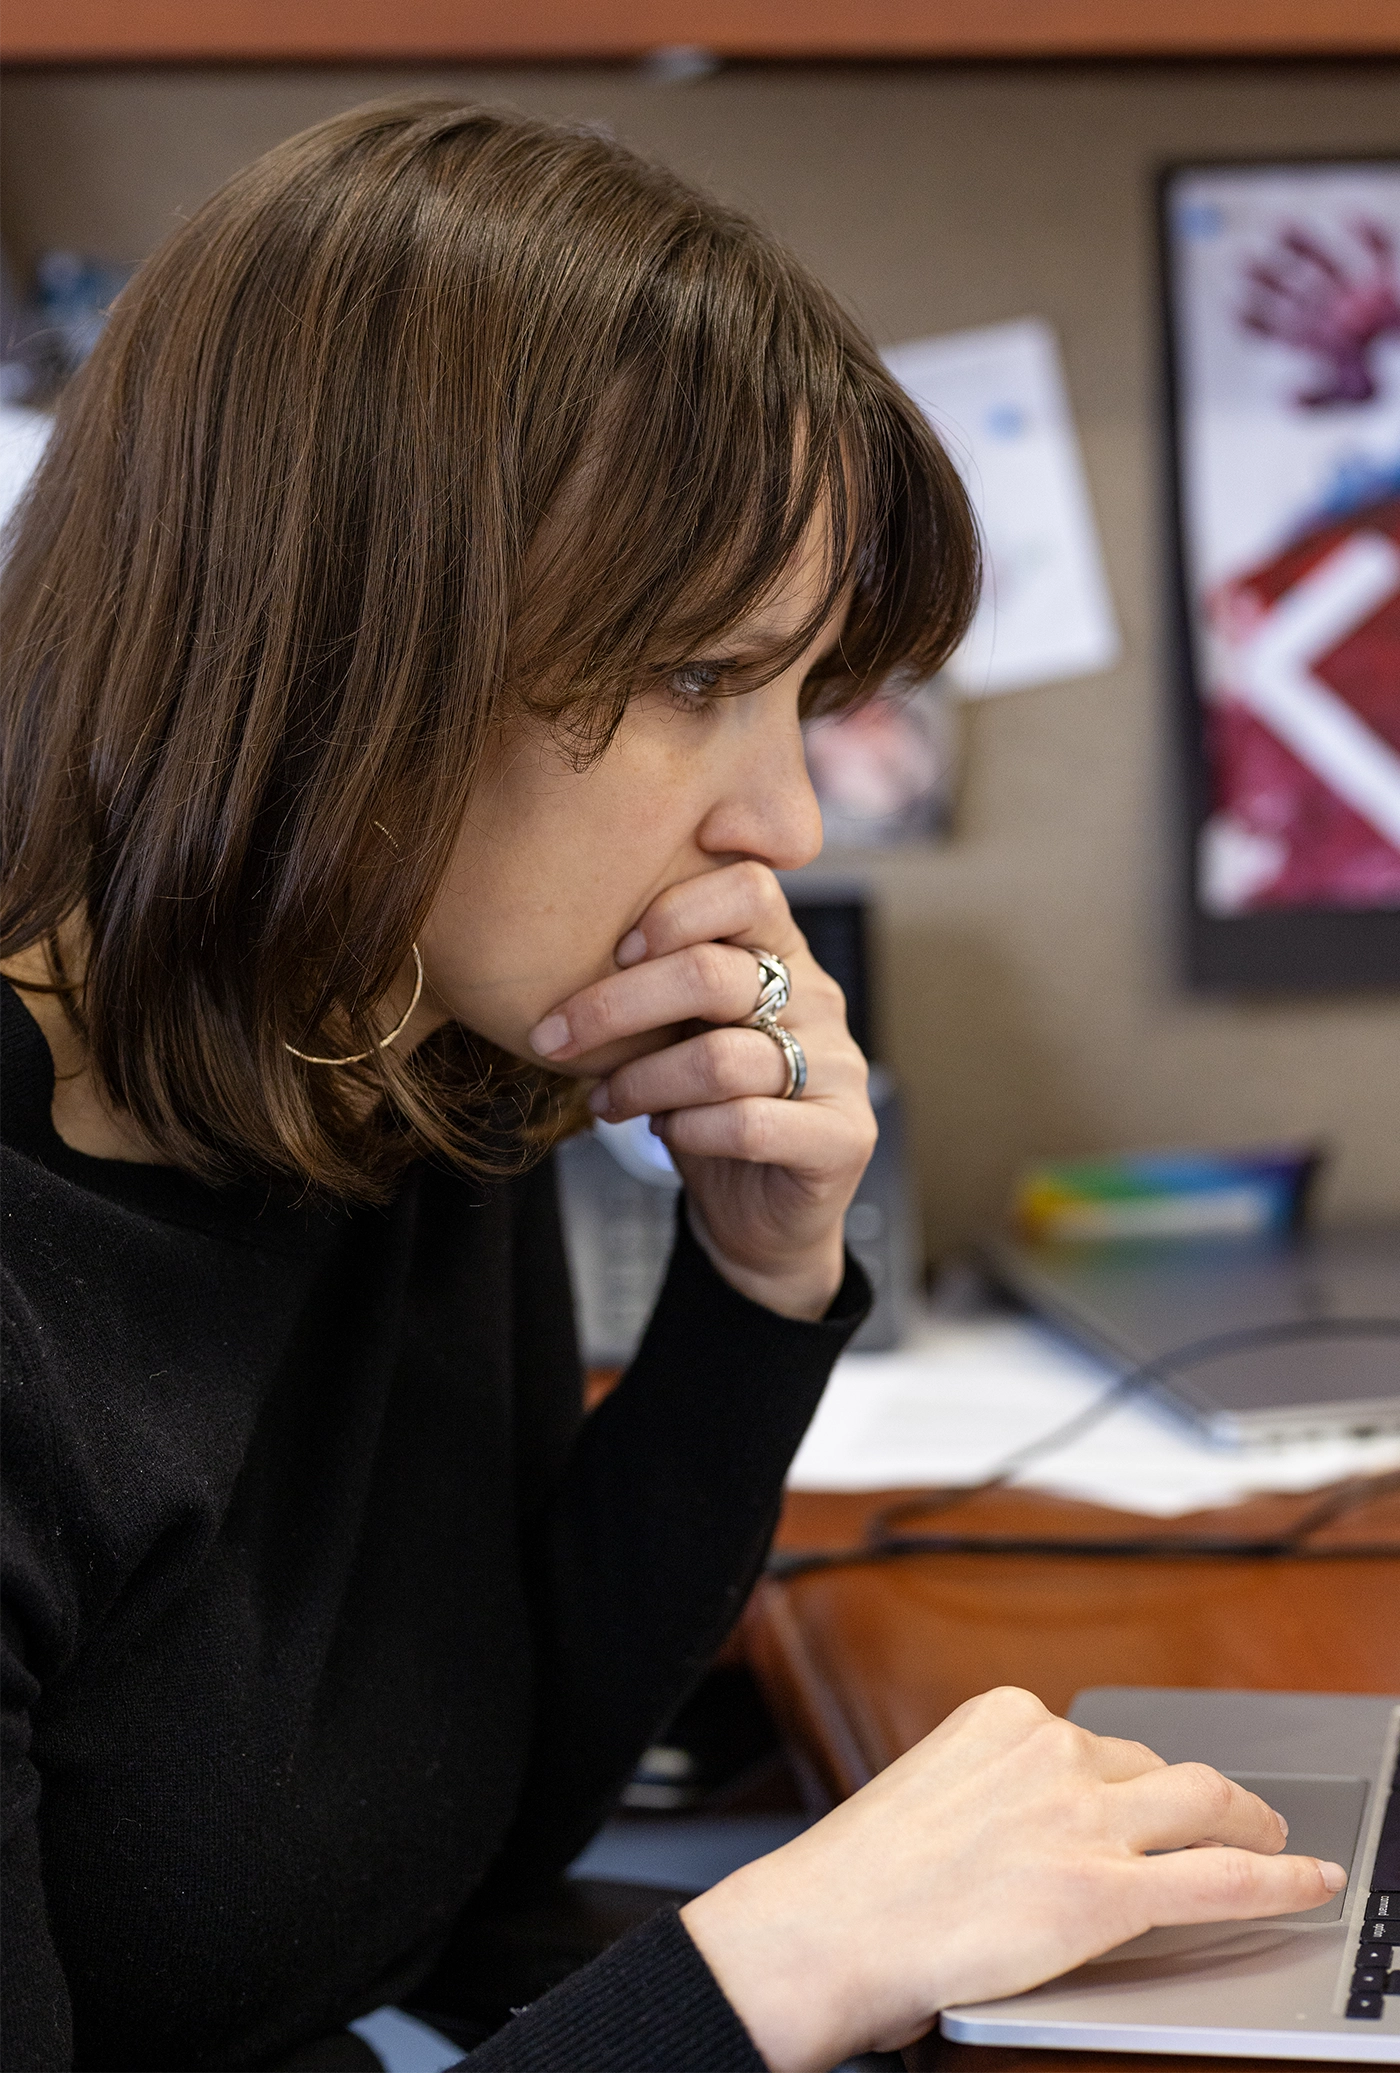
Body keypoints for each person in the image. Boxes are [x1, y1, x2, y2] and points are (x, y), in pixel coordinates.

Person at [0, 100, 1343, 2073]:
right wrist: (776, 1967)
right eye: (704, 679)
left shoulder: (382, 1052)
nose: (787, 816)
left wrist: (761, 1275)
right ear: (333, 648)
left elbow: (476, 1827)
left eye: (802, 695)